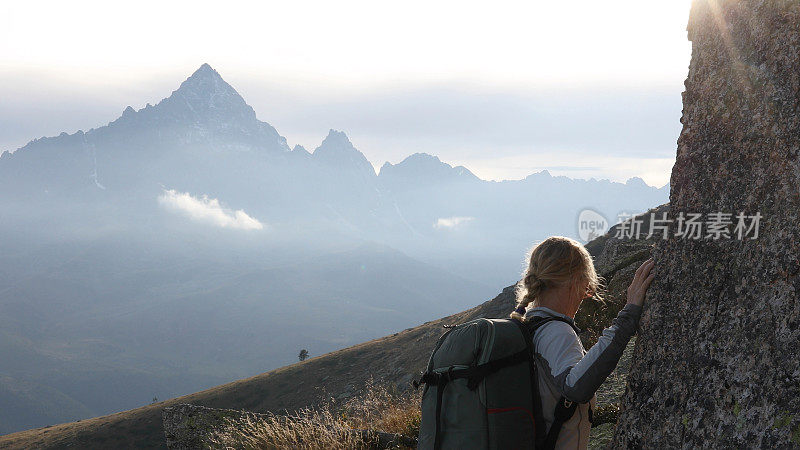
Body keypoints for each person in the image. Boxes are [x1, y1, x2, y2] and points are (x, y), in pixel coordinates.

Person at [509, 236, 654, 449]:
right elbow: (576, 387)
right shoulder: (556, 331)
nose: (586, 295)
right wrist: (629, 316)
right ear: (575, 280)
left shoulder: (527, 325)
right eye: (587, 287)